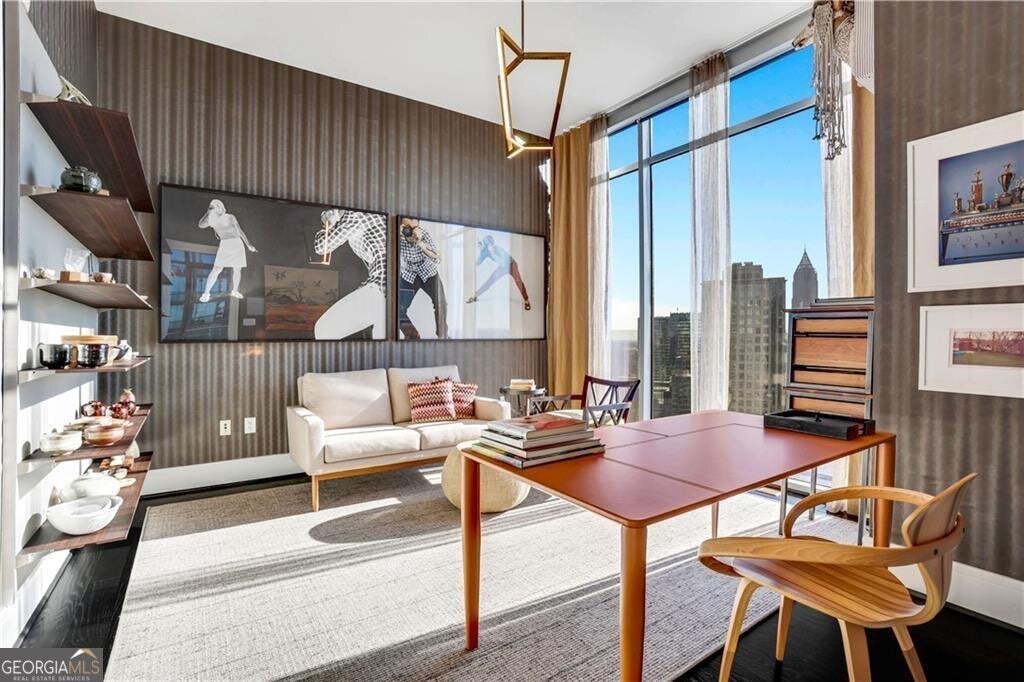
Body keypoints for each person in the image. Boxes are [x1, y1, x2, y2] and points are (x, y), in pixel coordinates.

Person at [311, 208, 387, 339]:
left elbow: (321, 246)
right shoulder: (373, 215)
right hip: (395, 288)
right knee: (383, 336)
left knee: (324, 329)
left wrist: (327, 225)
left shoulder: (355, 215)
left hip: (382, 284)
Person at [197, 199, 257, 303]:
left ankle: (235, 291)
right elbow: (200, 225)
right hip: (225, 244)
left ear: (221, 207)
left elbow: (240, 231)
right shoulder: (212, 219)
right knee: (216, 269)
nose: (216, 207)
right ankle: (206, 293)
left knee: (237, 269)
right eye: (213, 206)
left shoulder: (230, 217)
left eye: (217, 205)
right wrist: (208, 212)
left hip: (237, 243)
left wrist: (248, 245)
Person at [398, 218, 448, 338]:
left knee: (441, 303)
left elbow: (437, 258)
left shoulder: (424, 234)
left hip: (428, 272)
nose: (412, 231)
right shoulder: (396, 237)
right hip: (409, 274)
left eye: (415, 228)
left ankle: (443, 336)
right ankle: (412, 336)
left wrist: (420, 242)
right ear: (401, 227)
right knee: (398, 308)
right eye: (408, 228)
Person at [466, 234, 531, 310]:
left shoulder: (498, 249)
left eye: (492, 244)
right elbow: (478, 263)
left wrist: (493, 253)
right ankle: (475, 296)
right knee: (490, 280)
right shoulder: (485, 251)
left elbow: (503, 262)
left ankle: (526, 300)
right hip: (503, 267)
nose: (491, 246)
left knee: (518, 281)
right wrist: (480, 251)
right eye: (489, 244)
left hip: (511, 264)